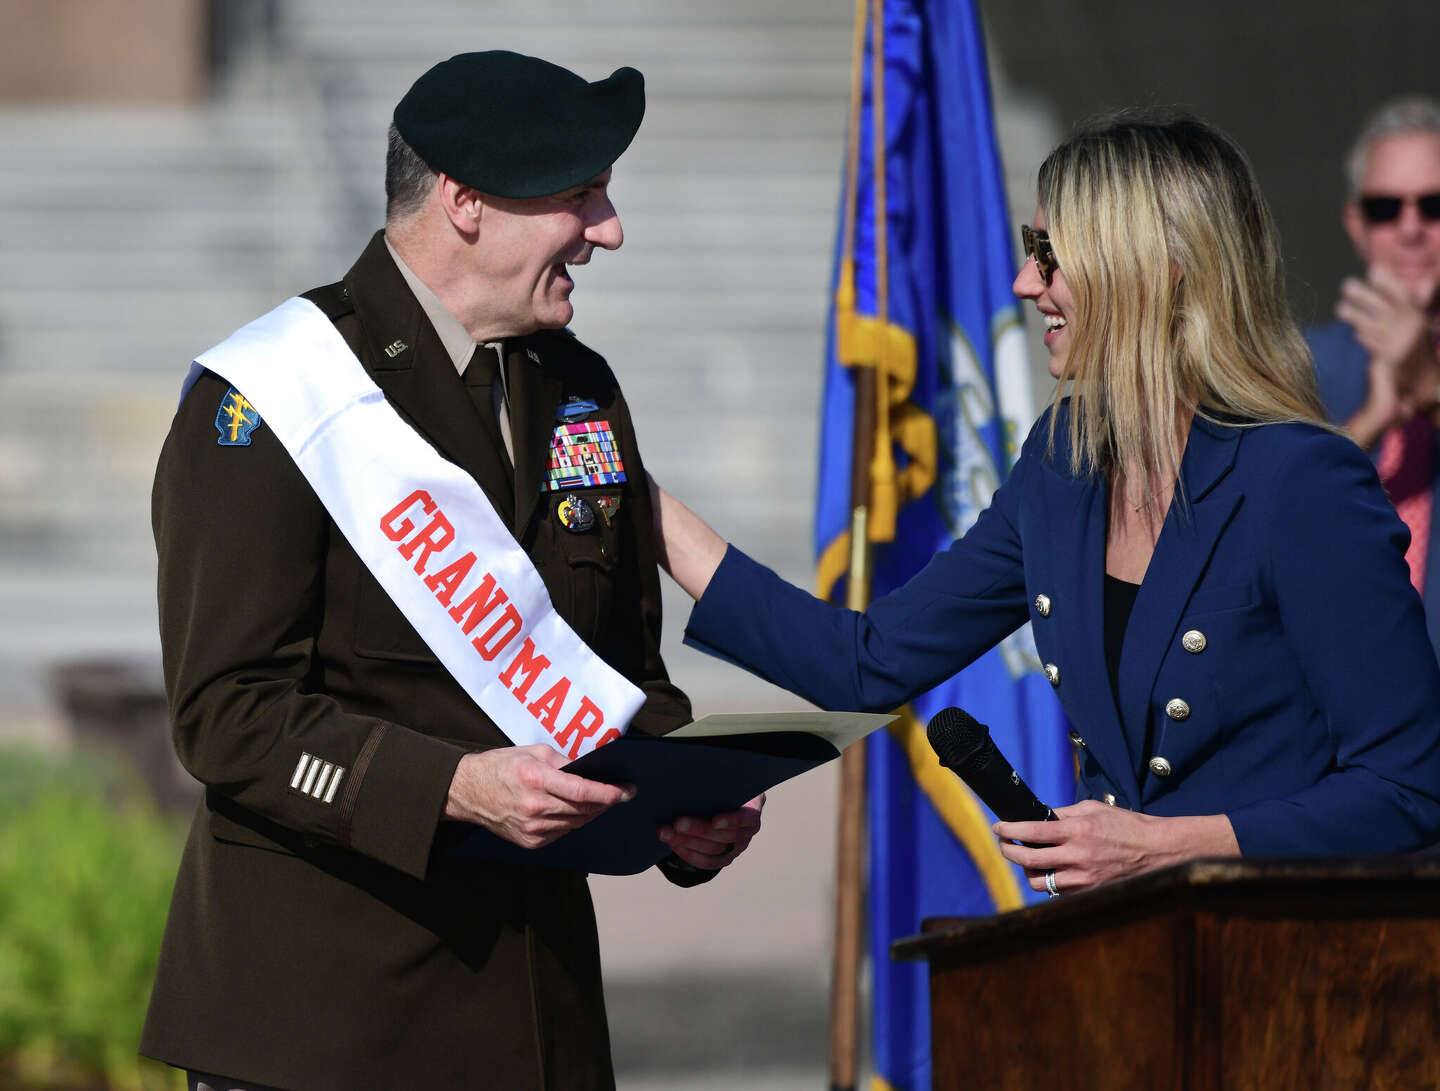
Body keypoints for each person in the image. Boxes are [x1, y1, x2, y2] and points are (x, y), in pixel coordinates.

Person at [142, 51, 761, 1091]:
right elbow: (227, 712)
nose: (609, 229)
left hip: (533, 1018)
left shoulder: (579, 390)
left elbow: (618, 669)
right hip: (326, 1024)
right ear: (467, 203)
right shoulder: (274, 396)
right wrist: (456, 788)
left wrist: (677, 808)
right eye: (579, 195)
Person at [653, 113, 1440, 901]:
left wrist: (1168, 846)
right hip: (1122, 971)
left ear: (1158, 267)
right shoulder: (1062, 459)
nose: (1027, 284)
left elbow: (1412, 789)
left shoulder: (1301, 477)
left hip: (1285, 975)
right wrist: (641, 505)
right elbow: (865, 662)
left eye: (1051, 257)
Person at [1308, 95, 1440, 658]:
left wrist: (1430, 389)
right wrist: (1372, 422)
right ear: (1356, 224)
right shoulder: (1298, 366)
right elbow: (1250, 537)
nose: (1410, 230)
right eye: (1387, 208)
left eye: (1433, 206)